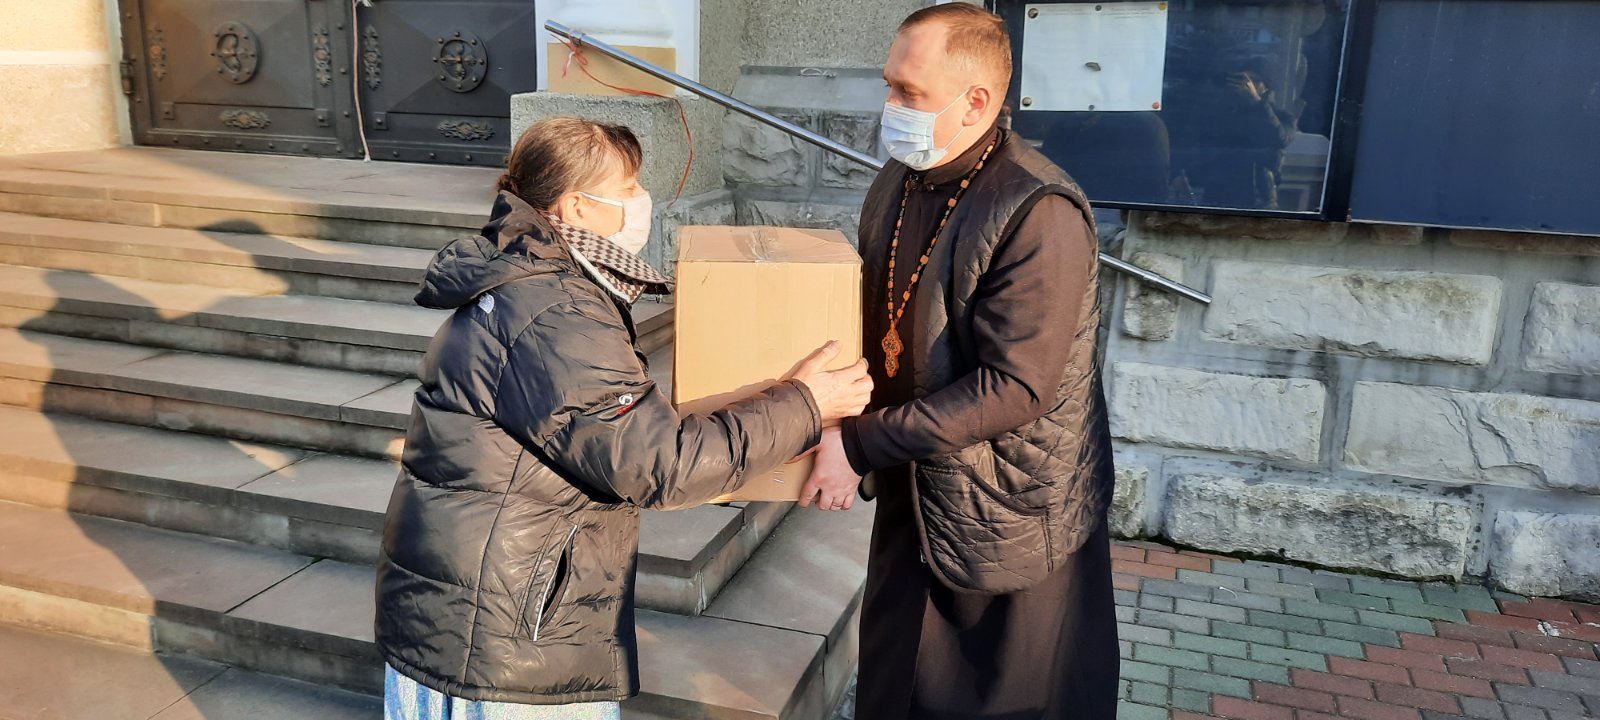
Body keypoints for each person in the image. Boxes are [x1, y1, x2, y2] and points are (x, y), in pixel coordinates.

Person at [373, 117, 873, 719]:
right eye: (629, 187)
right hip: (509, 643)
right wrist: (806, 404)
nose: (643, 201)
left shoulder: (532, 280)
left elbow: (610, 427)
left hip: (477, 614)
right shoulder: (556, 312)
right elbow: (658, 464)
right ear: (576, 206)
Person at [799, 5, 1119, 719]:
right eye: (888, 84)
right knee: (894, 688)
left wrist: (857, 443)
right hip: (917, 488)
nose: (889, 106)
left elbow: (1015, 387)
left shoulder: (1038, 209)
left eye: (908, 91)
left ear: (976, 101)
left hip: (1008, 507)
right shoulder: (902, 177)